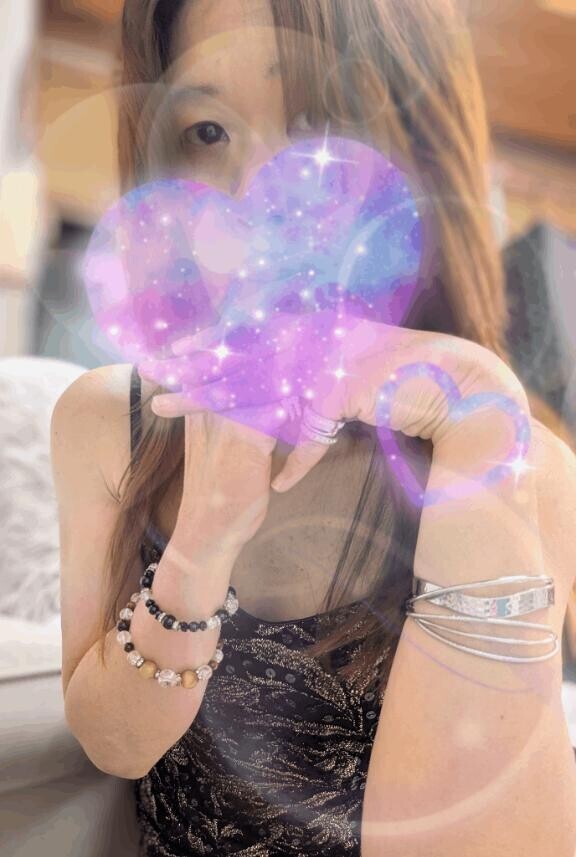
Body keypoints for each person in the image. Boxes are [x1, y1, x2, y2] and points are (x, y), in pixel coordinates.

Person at [51, 1, 576, 855]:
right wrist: (197, 551)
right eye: (209, 132)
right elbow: (115, 744)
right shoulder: (110, 421)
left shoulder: (522, 464)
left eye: (318, 123)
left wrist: (475, 404)